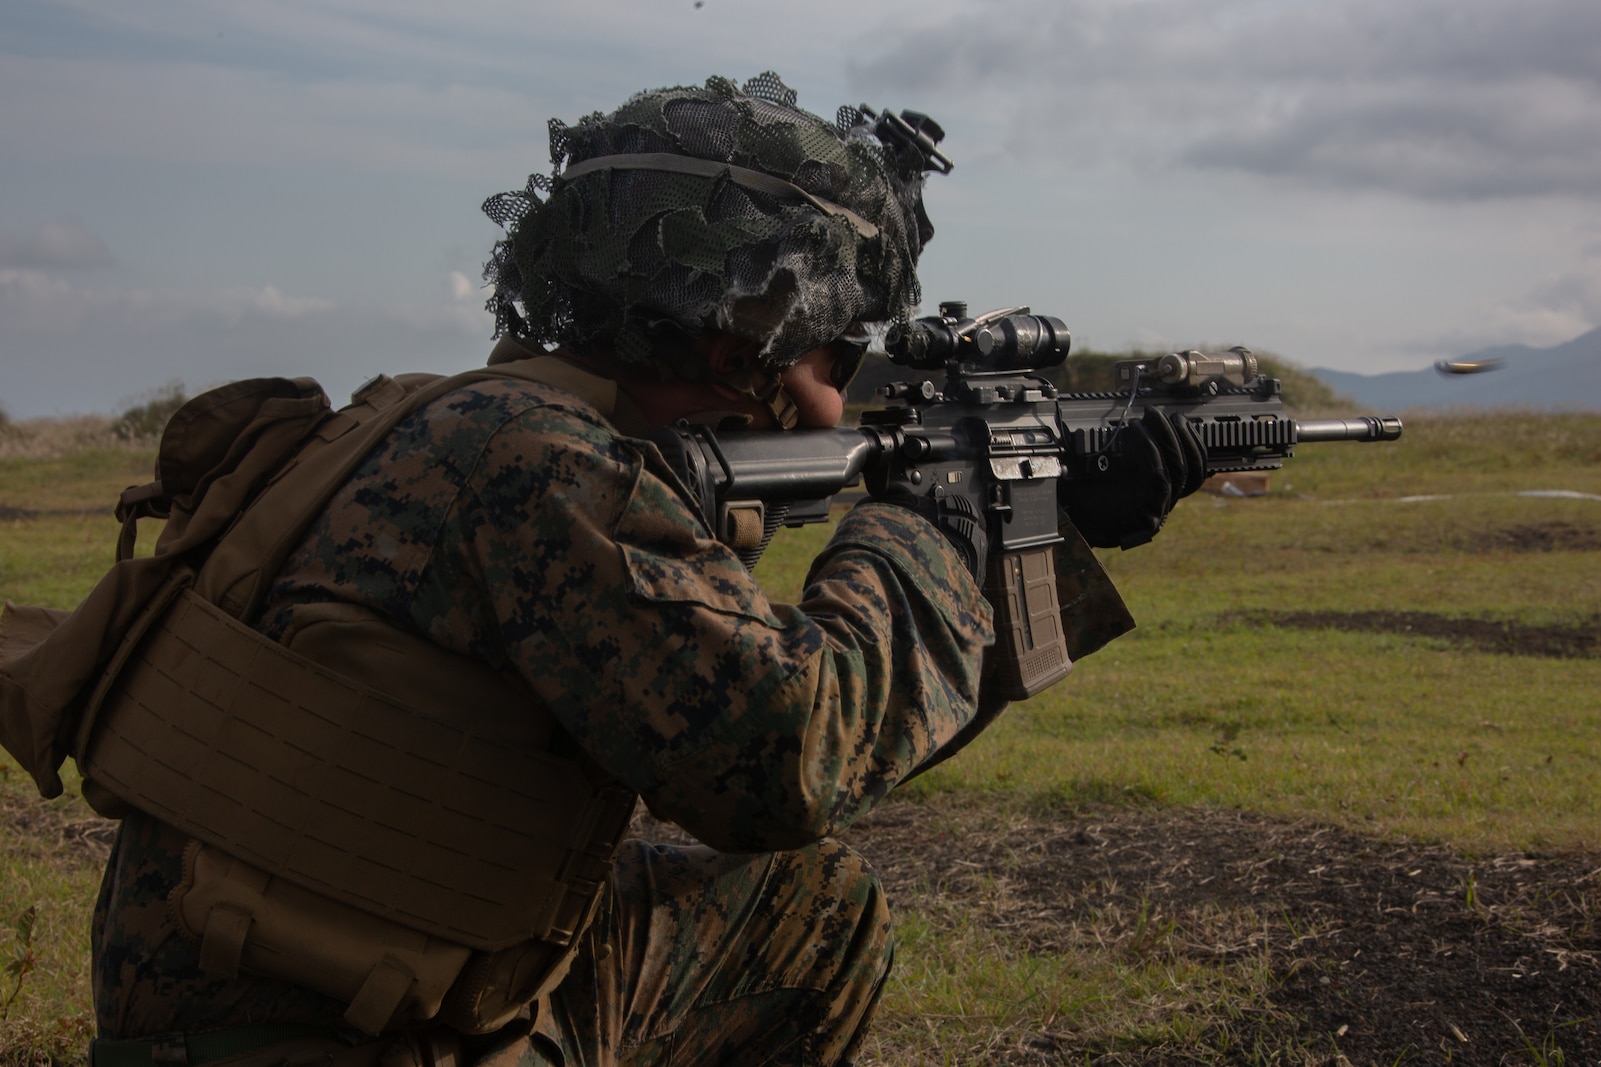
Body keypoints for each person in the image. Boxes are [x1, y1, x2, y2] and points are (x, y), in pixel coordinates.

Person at [84, 73, 1192, 1067]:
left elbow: (807, 734)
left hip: (285, 990)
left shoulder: (445, 417)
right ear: (735, 345)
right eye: (835, 357)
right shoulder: (545, 468)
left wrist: (1032, 523)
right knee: (807, 889)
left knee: (805, 907)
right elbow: (785, 758)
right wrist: (937, 516)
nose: (834, 402)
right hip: (321, 1037)